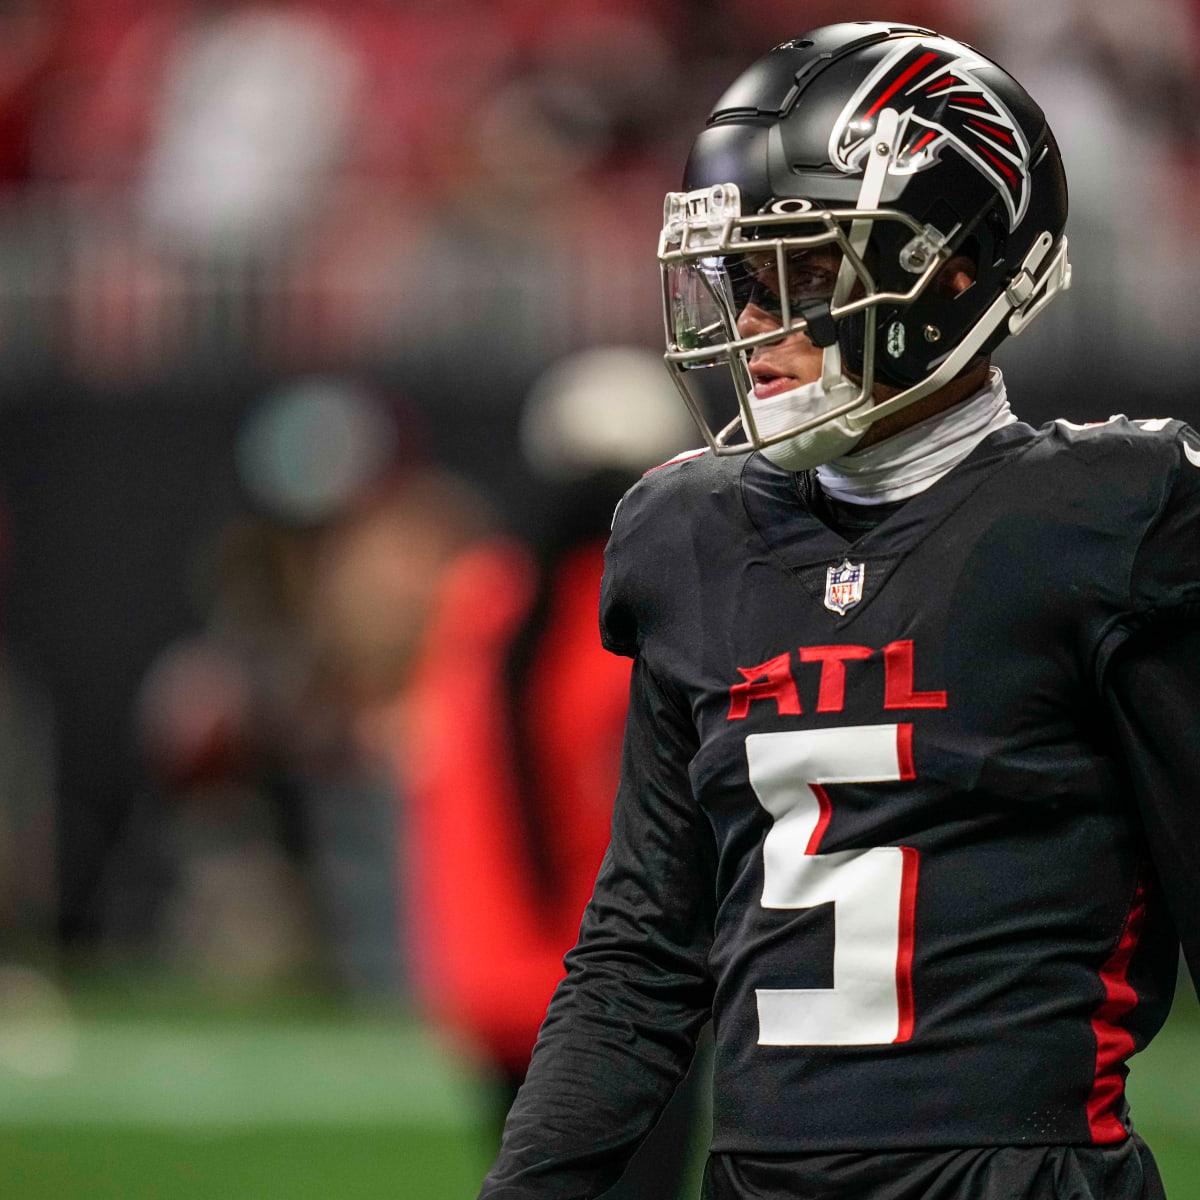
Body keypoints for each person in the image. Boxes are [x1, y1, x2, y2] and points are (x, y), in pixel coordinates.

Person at [478, 20, 1198, 1200]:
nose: (750, 322)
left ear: (954, 265)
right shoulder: (689, 537)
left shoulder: (1109, 522)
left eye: (803, 271)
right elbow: (644, 958)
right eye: (739, 277)